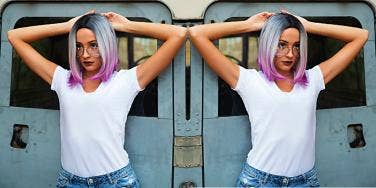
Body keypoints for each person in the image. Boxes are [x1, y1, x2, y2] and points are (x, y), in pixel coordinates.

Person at [7, 11, 186, 187]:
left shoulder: (126, 81)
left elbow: (179, 34)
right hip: (70, 182)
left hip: (116, 182)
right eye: (78, 46)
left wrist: (127, 25)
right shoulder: (62, 79)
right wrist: (68, 26)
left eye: (94, 45)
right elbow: (14, 36)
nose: (85, 54)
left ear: (107, 44)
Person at [189, 11, 368, 187]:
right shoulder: (249, 81)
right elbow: (197, 34)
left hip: (304, 182)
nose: (290, 54)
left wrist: (306, 26)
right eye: (281, 45)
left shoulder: (313, 79)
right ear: (268, 44)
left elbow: (361, 36)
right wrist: (249, 25)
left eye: (296, 46)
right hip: (260, 181)